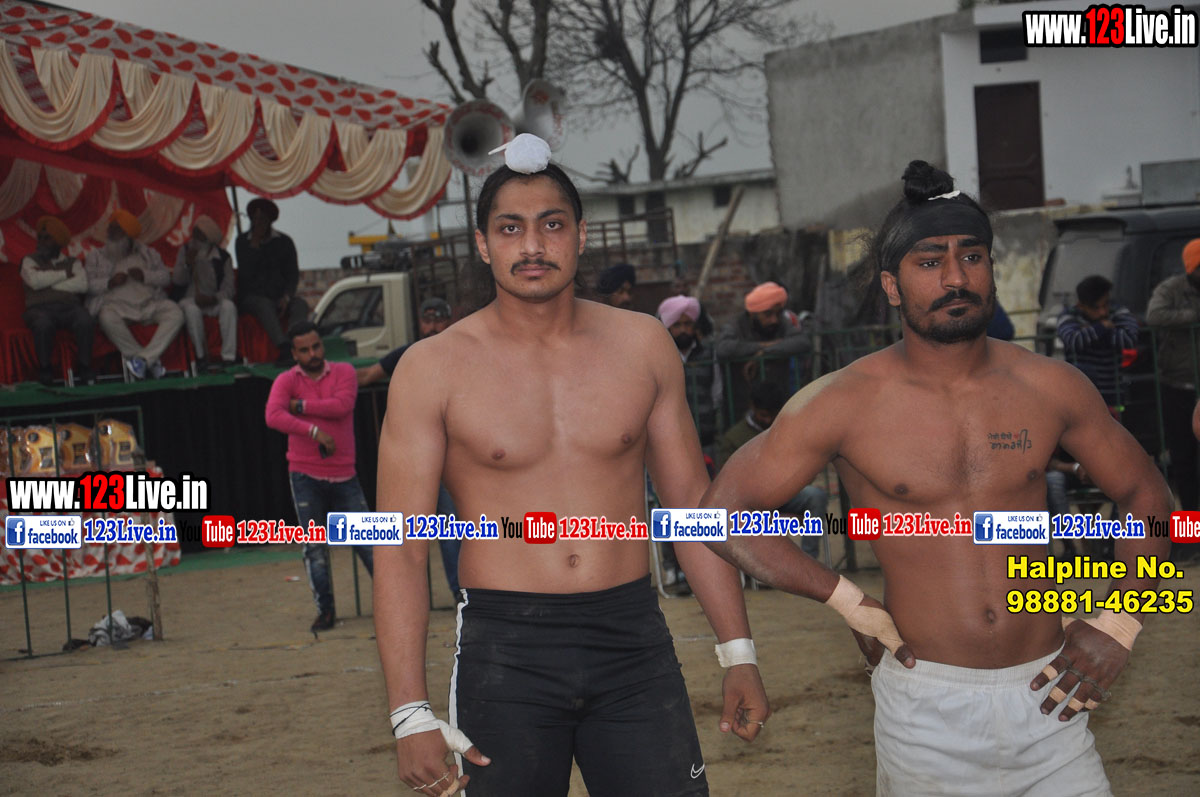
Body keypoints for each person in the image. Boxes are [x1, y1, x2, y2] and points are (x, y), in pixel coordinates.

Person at [700, 161, 1173, 795]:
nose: (956, 278)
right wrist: (847, 600)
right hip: (925, 704)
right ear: (891, 286)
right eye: (930, 262)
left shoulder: (1051, 385)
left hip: (1052, 695)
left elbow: (1148, 493)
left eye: (971, 257)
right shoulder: (843, 402)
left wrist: (1122, 619)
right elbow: (716, 517)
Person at [374, 137, 768, 797]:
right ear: (483, 244)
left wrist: (739, 651)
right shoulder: (432, 368)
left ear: (581, 235)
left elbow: (691, 510)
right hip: (505, 652)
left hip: (632, 640)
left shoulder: (642, 344)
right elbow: (401, 549)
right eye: (511, 228)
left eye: (551, 225)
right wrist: (409, 711)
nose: (532, 245)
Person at [265, 321, 373, 632]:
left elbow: (342, 406)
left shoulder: (344, 372)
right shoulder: (286, 379)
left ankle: (392, 603)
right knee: (314, 547)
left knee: (369, 544)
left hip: (344, 473)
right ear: (294, 353)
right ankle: (326, 611)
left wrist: (300, 406)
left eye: (316, 346)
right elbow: (273, 416)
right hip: (305, 473)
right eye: (304, 350)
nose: (312, 354)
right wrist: (313, 431)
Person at [358, 296, 461, 598]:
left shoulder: (462, 351)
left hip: (456, 454)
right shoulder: (410, 354)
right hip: (417, 455)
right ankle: (413, 596)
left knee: (456, 526)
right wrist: (327, 381)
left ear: (449, 321)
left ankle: (462, 592)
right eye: (427, 321)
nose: (432, 327)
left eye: (438, 320)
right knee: (409, 529)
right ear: (419, 322)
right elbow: (368, 375)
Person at [716, 381, 828, 560]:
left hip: (785, 494)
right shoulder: (733, 438)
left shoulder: (788, 429)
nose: (768, 420)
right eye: (763, 415)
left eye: (772, 415)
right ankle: (756, 564)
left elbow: (805, 466)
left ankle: (809, 560)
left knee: (816, 496)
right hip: (750, 502)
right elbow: (727, 482)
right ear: (753, 407)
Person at [84, 210, 183, 380]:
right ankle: (148, 360)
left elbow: (166, 278)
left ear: (128, 236)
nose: (111, 234)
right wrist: (110, 282)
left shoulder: (148, 254)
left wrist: (145, 275)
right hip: (117, 307)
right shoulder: (96, 257)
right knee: (105, 316)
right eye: (111, 229)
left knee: (176, 312)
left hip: (149, 305)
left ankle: (143, 360)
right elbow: (88, 286)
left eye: (117, 230)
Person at [1146, 240, 1200, 516]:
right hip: (1178, 386)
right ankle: (1190, 526)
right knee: (1183, 458)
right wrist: (1192, 316)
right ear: (1192, 267)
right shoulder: (1171, 289)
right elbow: (1154, 316)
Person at [715, 281, 812, 418]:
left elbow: (802, 342)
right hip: (742, 407)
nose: (774, 320)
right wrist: (762, 346)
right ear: (753, 314)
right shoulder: (736, 325)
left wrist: (765, 352)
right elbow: (723, 348)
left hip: (778, 406)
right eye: (768, 314)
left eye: (778, 314)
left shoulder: (782, 323)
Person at [20, 216, 93, 385]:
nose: (41, 242)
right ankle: (45, 369)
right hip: (39, 309)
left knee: (85, 319)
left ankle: (85, 366)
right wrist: (64, 275)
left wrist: (47, 284)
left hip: (69, 308)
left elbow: (82, 285)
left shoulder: (73, 262)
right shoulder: (29, 260)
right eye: (40, 238)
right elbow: (34, 281)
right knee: (42, 324)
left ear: (59, 242)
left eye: (47, 238)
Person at [236, 198, 308, 365]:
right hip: (253, 297)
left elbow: (292, 274)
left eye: (262, 219)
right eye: (255, 219)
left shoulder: (284, 242)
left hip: (279, 296)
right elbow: (246, 275)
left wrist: (286, 297)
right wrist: (254, 246)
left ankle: (293, 341)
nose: (258, 223)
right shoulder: (243, 242)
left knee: (300, 305)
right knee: (263, 305)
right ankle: (283, 347)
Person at [1057, 275, 1139, 410]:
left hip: (1112, 392)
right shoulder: (1069, 315)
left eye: (1105, 304)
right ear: (1081, 305)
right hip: (1081, 394)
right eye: (1095, 308)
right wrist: (1102, 328)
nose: (1102, 312)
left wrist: (1089, 333)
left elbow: (1129, 339)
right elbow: (1073, 341)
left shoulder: (1119, 312)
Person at [174, 216, 237, 371]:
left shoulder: (223, 257)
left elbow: (229, 288)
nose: (194, 238)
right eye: (194, 233)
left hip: (213, 300)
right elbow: (177, 280)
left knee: (229, 307)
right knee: (191, 310)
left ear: (208, 237)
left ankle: (229, 357)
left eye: (199, 234)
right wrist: (187, 264)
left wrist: (214, 299)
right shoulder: (186, 251)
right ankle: (200, 356)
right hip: (191, 299)